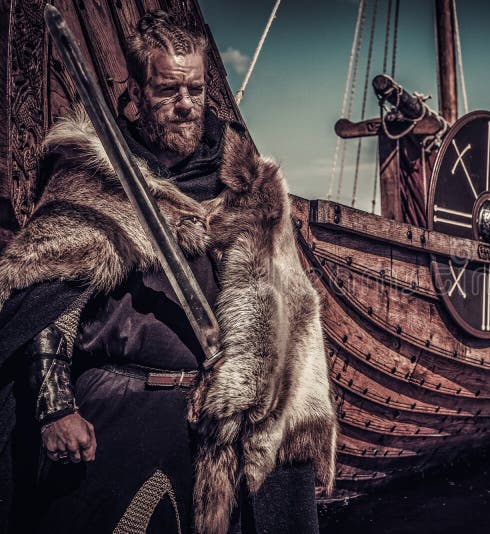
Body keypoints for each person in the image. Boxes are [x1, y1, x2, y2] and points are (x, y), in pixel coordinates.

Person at [0, 10, 336, 534]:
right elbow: (47, 301)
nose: (185, 105)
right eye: (167, 90)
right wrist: (55, 407)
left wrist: (283, 407)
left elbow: (290, 307)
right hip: (119, 417)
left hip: (221, 425)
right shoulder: (93, 175)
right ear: (136, 91)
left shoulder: (247, 184)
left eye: (195, 90)